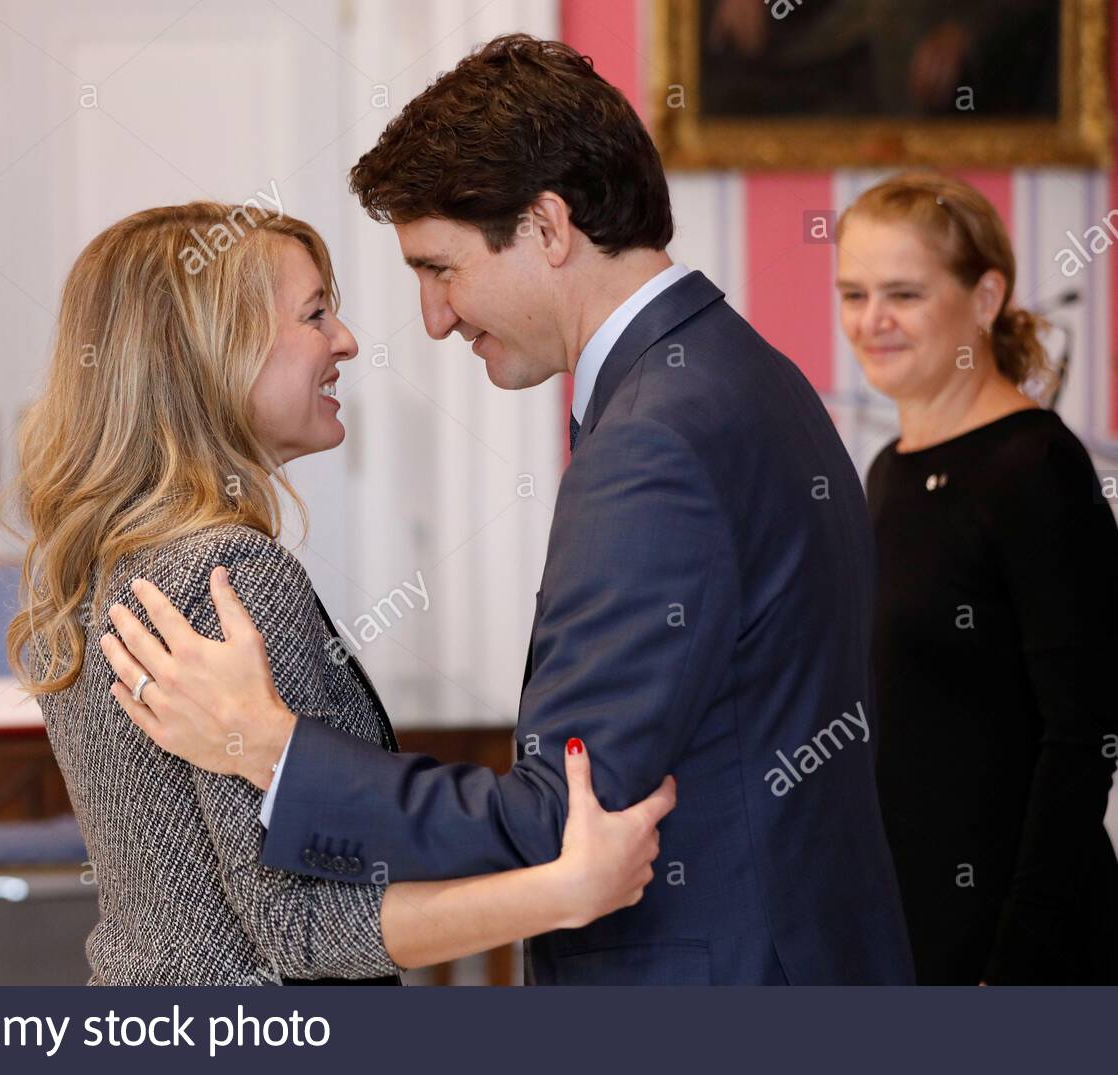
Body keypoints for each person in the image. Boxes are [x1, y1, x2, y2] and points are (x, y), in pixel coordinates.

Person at [104, 34, 913, 985]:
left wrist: (272, 748)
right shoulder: (746, 373)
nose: (435, 318)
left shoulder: (656, 436)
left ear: (547, 226)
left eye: (440, 268)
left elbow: (558, 816)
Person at [3, 202, 675, 986]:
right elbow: (300, 927)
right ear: (206, 350)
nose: (347, 341)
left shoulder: (93, 565)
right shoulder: (229, 576)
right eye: (316, 313)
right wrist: (564, 892)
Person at [835, 171, 1118, 983]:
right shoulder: (888, 470)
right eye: (852, 293)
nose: (870, 320)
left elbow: (1087, 734)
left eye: (903, 294)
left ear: (985, 296)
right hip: (908, 928)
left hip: (1023, 951)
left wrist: (1014, 965)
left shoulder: (1036, 467)